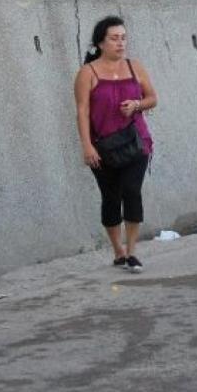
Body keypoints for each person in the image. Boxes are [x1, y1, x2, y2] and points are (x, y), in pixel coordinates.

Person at [74, 16, 157, 273]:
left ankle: (132, 252)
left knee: (132, 191)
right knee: (110, 198)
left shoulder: (135, 67)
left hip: (136, 142)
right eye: (114, 38)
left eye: (123, 38)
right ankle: (118, 250)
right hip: (103, 147)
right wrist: (87, 146)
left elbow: (152, 98)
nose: (120, 43)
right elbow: (82, 111)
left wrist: (137, 105)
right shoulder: (88, 73)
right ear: (100, 42)